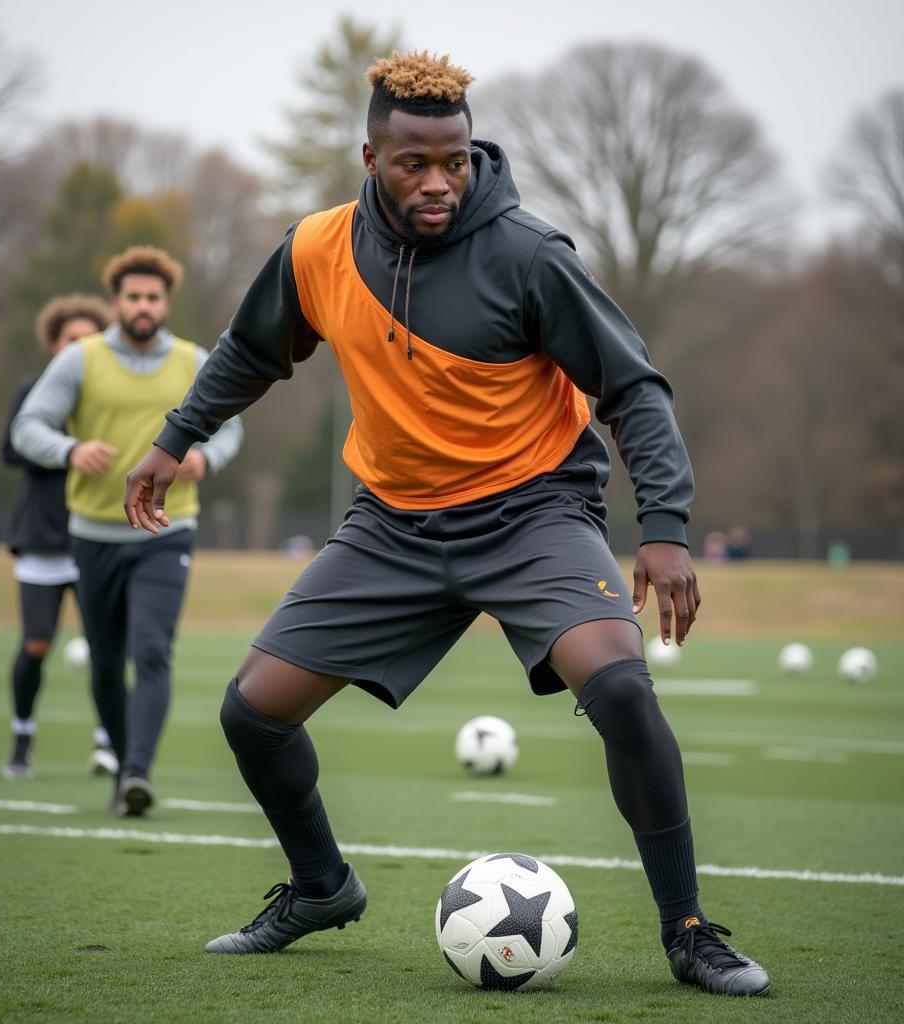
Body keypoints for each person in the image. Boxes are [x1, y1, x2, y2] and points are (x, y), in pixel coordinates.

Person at [124, 53, 770, 996]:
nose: (438, 182)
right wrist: (175, 436)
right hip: (391, 527)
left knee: (625, 691)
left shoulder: (530, 253)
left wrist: (664, 527)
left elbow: (632, 386)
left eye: (456, 161)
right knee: (251, 713)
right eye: (413, 164)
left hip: (533, 515)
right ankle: (320, 887)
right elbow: (251, 351)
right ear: (370, 155)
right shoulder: (317, 248)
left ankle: (689, 930)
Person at [12, 246, 244, 816]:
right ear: (116, 302)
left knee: (152, 650)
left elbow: (233, 427)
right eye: (133, 296)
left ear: (167, 302)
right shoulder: (80, 360)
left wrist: (206, 461)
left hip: (168, 531)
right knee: (107, 661)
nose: (143, 305)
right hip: (93, 536)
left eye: (153, 296)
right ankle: (121, 767)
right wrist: (70, 448)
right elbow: (27, 427)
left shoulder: (194, 360)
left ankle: (137, 772)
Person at [1, 294, 118, 780]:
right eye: (73, 339)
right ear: (54, 345)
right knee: (36, 645)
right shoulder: (35, 390)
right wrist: (69, 450)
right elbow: (11, 448)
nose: (82, 347)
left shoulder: (111, 392)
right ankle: (23, 734)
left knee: (105, 646)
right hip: (44, 535)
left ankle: (107, 743)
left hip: (100, 533)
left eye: (91, 338)